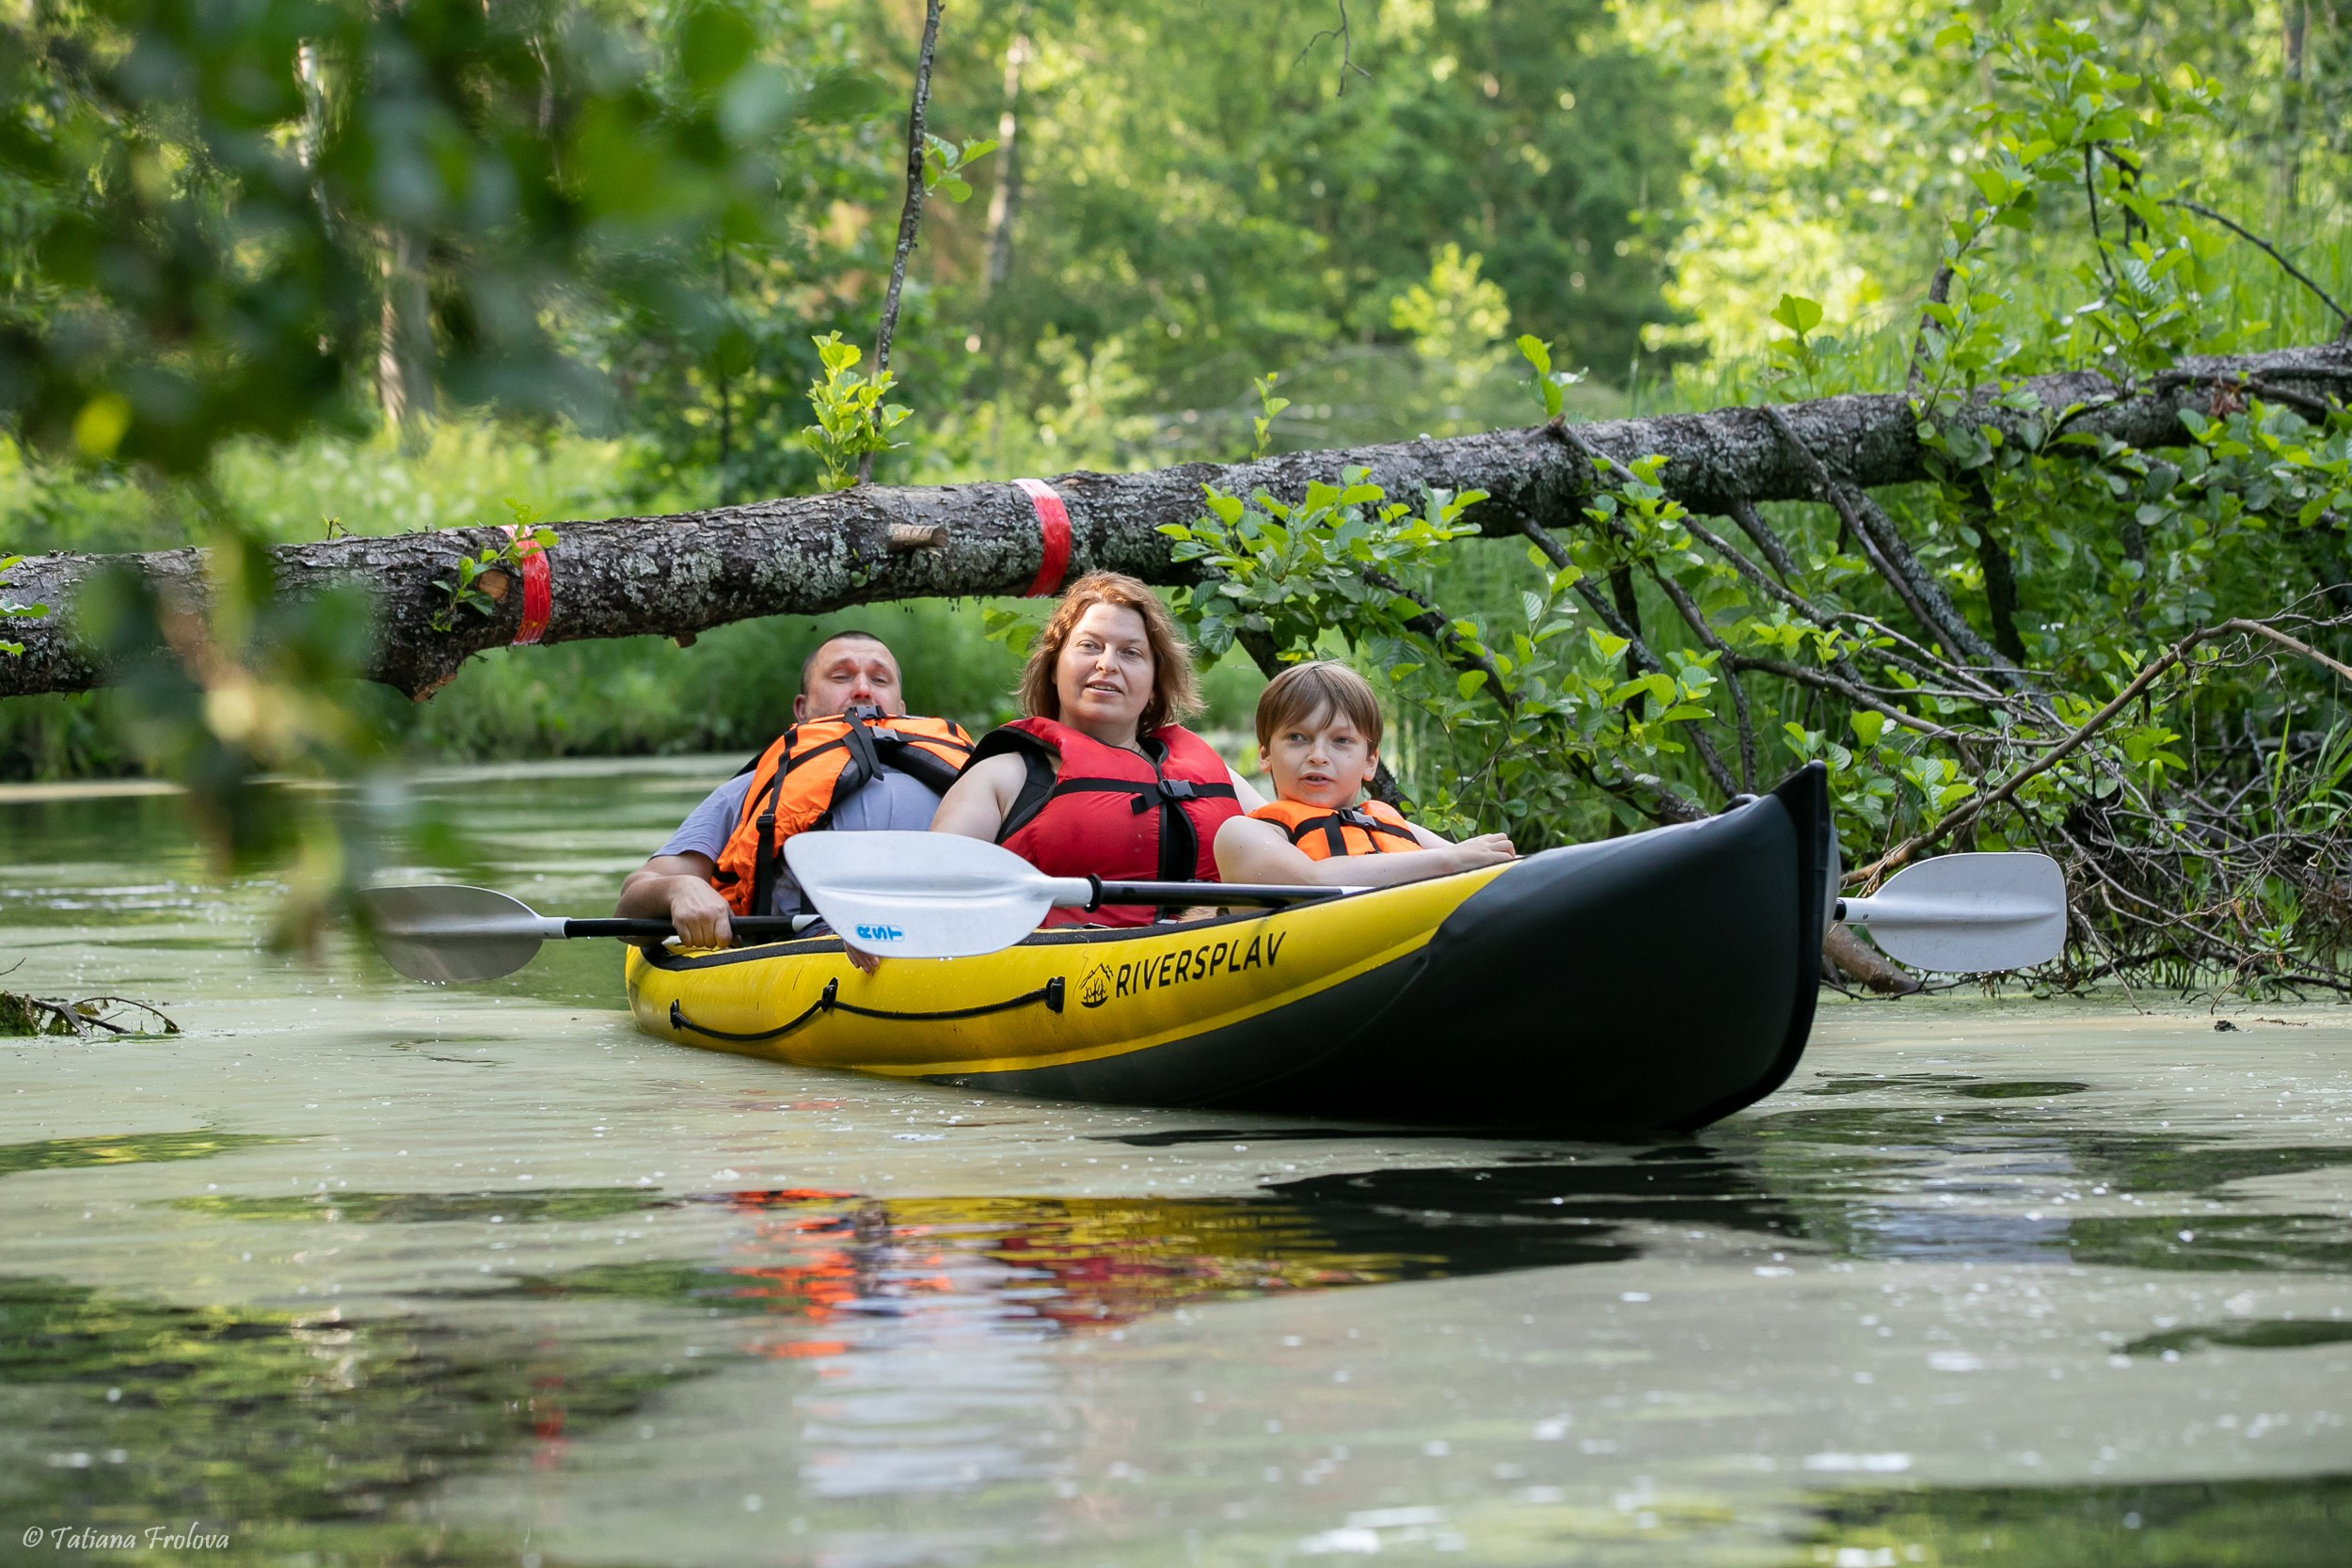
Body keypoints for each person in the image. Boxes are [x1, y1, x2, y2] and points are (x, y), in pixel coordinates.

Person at [930, 571, 1265, 926]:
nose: (1107, 664)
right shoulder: (1004, 777)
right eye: (1089, 646)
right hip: (1060, 969)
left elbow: (1303, 850)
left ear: (1154, 684)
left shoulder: (1223, 781)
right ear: (1054, 669)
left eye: (1131, 652)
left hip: (1209, 958)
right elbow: (926, 889)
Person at [616, 630, 973, 948]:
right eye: (841, 676)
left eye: (879, 679)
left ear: (902, 709)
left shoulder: (972, 778)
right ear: (802, 710)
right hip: (810, 953)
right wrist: (680, 890)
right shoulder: (752, 790)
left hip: (954, 942)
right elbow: (630, 908)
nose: (863, 689)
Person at [1214, 659, 1516, 887]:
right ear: (1265, 755)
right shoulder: (1243, 834)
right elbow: (1313, 881)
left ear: (1370, 762)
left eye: (1341, 741)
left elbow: (1476, 862)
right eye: (1297, 738)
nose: (1318, 756)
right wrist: (1451, 862)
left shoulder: (1385, 821)